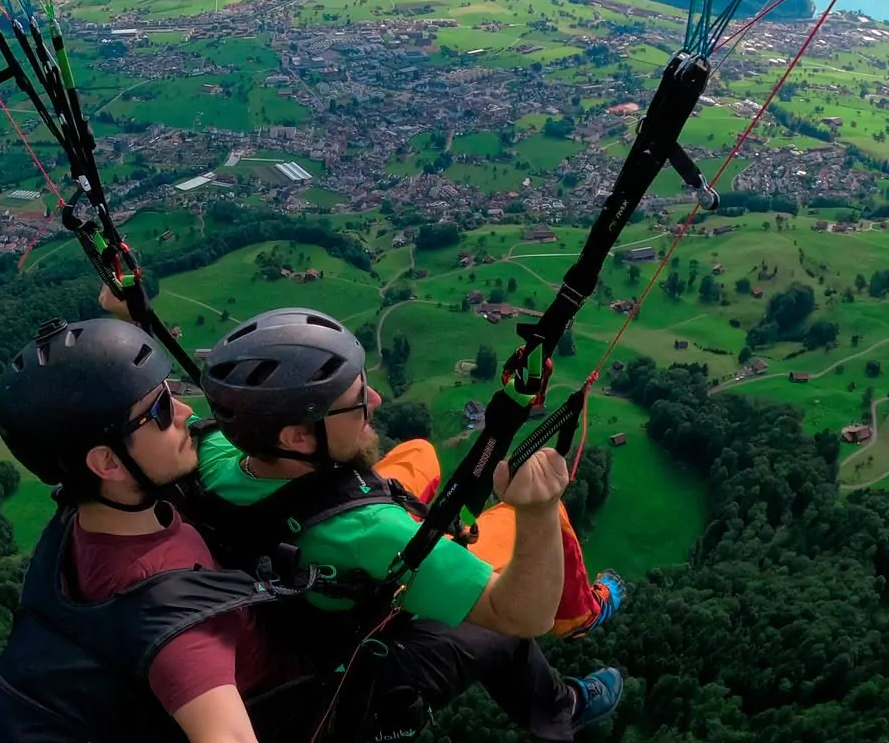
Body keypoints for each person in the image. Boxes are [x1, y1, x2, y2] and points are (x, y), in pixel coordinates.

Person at [192, 307, 626, 743]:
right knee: (516, 563)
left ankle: (436, 542)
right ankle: (576, 642)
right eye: (358, 400)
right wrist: (540, 509)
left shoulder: (212, 450)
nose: (376, 401)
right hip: (362, 653)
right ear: (297, 437)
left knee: (420, 452)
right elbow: (524, 615)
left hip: (293, 553)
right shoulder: (373, 532)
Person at [0, 316, 303, 743]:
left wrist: (129, 317)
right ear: (108, 463)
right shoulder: (175, 624)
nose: (186, 411)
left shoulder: (78, 528)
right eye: (161, 409)